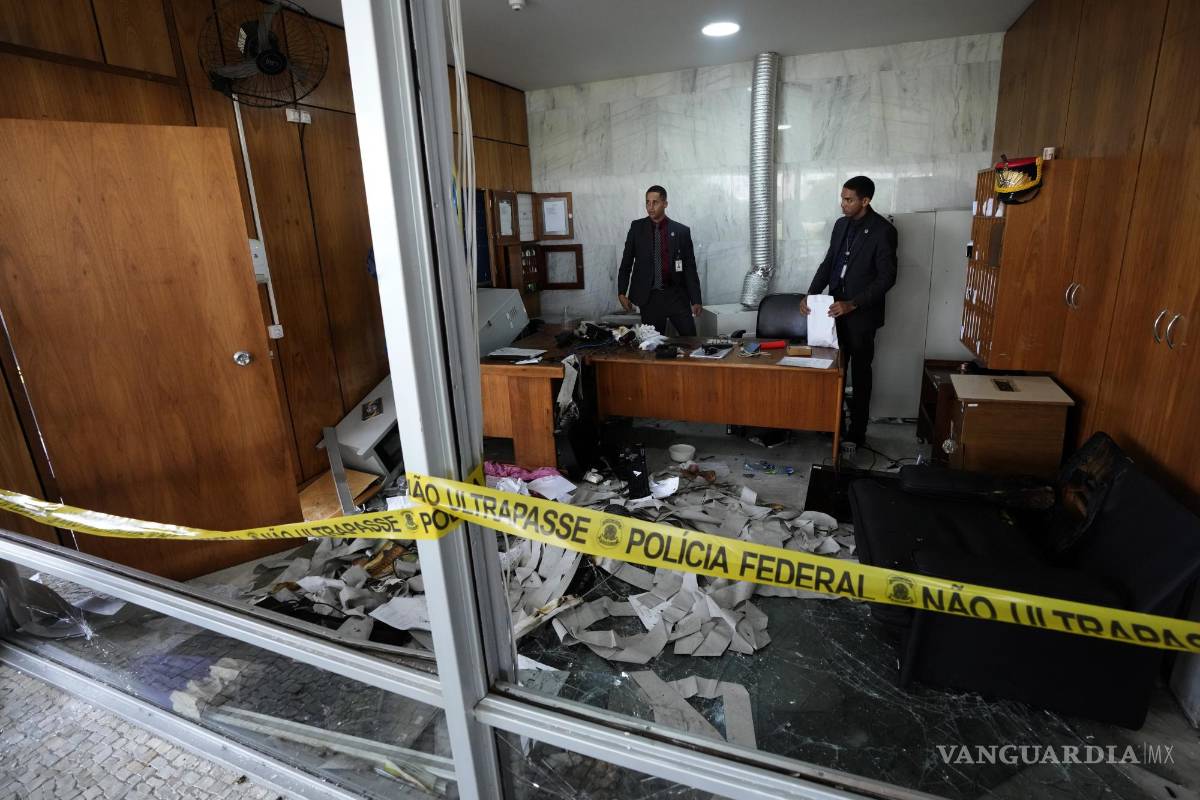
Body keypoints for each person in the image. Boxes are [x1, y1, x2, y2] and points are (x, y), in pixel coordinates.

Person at [801, 175, 897, 447]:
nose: (842, 204)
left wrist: (853, 303)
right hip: (833, 312)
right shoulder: (841, 225)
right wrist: (811, 293)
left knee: (860, 375)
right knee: (834, 371)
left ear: (865, 201)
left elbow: (887, 277)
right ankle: (833, 425)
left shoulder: (883, 231)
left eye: (849, 199)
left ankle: (857, 432)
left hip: (861, 317)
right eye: (842, 198)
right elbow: (830, 262)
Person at [617, 185, 702, 335]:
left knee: (691, 340)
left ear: (665, 204)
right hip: (649, 298)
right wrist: (622, 292)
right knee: (652, 346)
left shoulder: (681, 231)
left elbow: (689, 267)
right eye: (647, 202)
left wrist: (696, 299)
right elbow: (626, 263)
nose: (650, 207)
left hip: (676, 296)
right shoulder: (637, 228)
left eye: (655, 202)